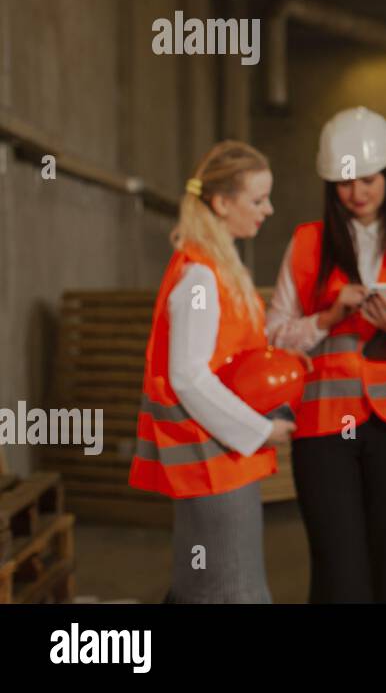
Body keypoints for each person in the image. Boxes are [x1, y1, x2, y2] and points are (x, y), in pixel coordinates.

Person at [267, 107, 386, 603]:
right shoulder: (308, 243)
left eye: (368, 179)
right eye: (345, 182)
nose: (358, 192)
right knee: (338, 568)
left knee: (385, 566)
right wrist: (327, 319)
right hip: (324, 429)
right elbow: (275, 336)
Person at [130, 140, 291, 603]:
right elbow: (188, 376)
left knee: (200, 586)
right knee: (233, 589)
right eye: (257, 199)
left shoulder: (213, 267)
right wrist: (259, 429)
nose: (268, 209)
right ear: (221, 203)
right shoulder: (201, 277)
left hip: (215, 458)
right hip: (213, 462)